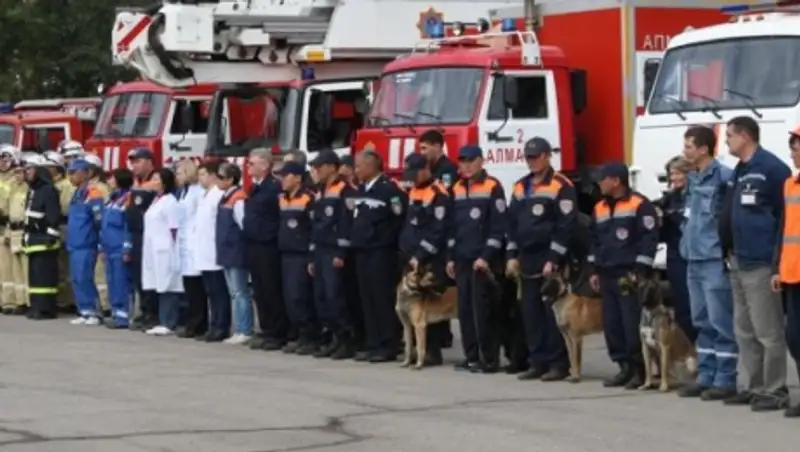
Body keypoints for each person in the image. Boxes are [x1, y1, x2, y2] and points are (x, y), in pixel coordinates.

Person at [720, 116, 791, 411]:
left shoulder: (772, 169)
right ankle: (754, 386)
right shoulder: (741, 169)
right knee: (744, 330)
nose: (726, 141)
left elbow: (784, 218)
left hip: (760, 261)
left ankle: (776, 390)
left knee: (768, 331)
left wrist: (776, 262)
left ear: (746, 136)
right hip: (737, 259)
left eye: (730, 136)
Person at [677, 125, 738, 401]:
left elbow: (728, 220)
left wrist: (727, 252)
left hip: (713, 259)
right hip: (693, 258)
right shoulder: (693, 179)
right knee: (701, 321)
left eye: (689, 146)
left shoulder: (724, 177)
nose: (685, 151)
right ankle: (706, 376)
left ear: (703, 148)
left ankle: (725, 379)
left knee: (720, 321)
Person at [507, 137, 575, 382]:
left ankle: (558, 363)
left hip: (549, 258)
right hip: (526, 257)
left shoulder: (561, 185)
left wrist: (554, 258)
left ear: (547, 156)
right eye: (528, 158)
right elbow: (512, 225)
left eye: (536, 157)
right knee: (530, 312)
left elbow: (565, 225)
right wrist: (512, 255)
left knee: (551, 314)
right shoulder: (519, 187)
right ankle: (538, 361)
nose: (532, 162)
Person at [588, 162, 659, 389]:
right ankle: (623, 367)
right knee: (612, 324)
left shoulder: (639, 204)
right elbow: (595, 240)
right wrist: (593, 269)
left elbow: (649, 238)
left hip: (629, 273)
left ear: (616, 181)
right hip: (607, 272)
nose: (599, 183)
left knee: (631, 323)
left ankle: (639, 369)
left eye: (602, 179)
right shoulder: (599, 207)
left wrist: (640, 270)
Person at [447, 145, 506, 373]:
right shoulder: (457, 188)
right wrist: (450, 257)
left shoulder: (493, 187)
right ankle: (471, 356)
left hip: (482, 261)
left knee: (483, 311)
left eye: (470, 161)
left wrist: (486, 257)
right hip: (462, 258)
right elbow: (452, 227)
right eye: (462, 161)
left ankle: (489, 358)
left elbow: (498, 227)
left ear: (481, 161)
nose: (466, 165)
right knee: (464, 310)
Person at [350, 150, 407, 363]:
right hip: (362, 251)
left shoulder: (388, 190)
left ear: (371, 166)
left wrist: (391, 245)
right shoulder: (363, 189)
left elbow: (398, 219)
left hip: (380, 252)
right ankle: (373, 342)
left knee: (382, 298)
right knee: (367, 298)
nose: (356, 170)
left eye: (359, 166)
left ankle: (388, 343)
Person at [398, 152, 450, 365]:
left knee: (431, 304)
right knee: (411, 304)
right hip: (410, 256)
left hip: (429, 257)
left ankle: (433, 350)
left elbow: (438, 230)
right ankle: (415, 349)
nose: (411, 177)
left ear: (425, 170)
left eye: (415, 173)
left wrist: (421, 255)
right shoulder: (414, 190)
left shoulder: (438, 193)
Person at [309, 150, 358, 359]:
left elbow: (347, 225)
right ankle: (334, 338)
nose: (316, 171)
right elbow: (316, 224)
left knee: (335, 296)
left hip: (334, 251)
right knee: (321, 297)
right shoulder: (320, 190)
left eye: (319, 167)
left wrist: (341, 252)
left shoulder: (345, 190)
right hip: (320, 250)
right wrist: (312, 254)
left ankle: (347, 340)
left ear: (331, 167)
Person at [243, 149, 288, 350]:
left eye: (252, 164)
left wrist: (268, 235)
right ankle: (266, 328)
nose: (249, 167)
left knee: (271, 289)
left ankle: (278, 332)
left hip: (268, 245)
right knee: (259, 290)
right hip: (253, 243)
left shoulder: (274, 187)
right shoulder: (255, 188)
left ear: (265, 166)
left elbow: (277, 217)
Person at [276, 161, 319, 355]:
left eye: (286, 176)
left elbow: (313, 229)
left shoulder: (308, 198)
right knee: (289, 298)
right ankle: (299, 335)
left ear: (298, 178)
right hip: (286, 253)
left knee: (300, 296)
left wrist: (311, 255)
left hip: (301, 255)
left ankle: (310, 337)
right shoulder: (283, 198)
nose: (282, 180)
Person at [420, 129, 457, 350]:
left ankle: (443, 334)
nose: (422, 152)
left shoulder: (447, 170)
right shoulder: (430, 169)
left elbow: (445, 197)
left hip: (443, 237)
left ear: (437, 146)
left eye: (425, 148)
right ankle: (441, 333)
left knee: (441, 287)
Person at [773, 126, 800, 417]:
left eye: (795, 146)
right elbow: (784, 230)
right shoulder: (790, 185)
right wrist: (776, 267)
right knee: (794, 337)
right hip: (792, 273)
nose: (792, 152)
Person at [192, 161, 231, 343]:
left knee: (218, 291)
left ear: (214, 176)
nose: (200, 178)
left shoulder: (218, 196)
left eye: (203, 174)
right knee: (210, 291)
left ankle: (221, 326)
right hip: (203, 250)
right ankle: (214, 324)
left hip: (214, 251)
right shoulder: (204, 195)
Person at [142, 168, 184, 336]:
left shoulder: (170, 201)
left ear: (165, 182)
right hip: (153, 248)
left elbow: (174, 228)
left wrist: (173, 250)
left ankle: (169, 321)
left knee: (168, 285)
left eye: (156, 178)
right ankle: (162, 319)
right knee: (159, 284)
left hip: (165, 249)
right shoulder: (156, 200)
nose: (152, 181)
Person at [22, 154, 62, 320]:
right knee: (35, 276)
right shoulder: (33, 190)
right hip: (33, 239)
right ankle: (36, 306)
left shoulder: (48, 190)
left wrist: (50, 236)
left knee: (44, 276)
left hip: (44, 240)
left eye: (29, 169)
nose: (27, 172)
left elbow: (53, 215)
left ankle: (46, 309)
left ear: (38, 170)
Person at [65, 159, 105, 325]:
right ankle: (84, 310)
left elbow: (99, 219)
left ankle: (94, 312)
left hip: (87, 243)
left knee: (85, 277)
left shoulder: (93, 192)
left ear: (86, 173)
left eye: (74, 172)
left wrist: (100, 242)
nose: (71, 176)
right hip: (74, 243)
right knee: (76, 278)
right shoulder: (76, 194)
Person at [217, 162, 253, 345]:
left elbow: (243, 224)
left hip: (236, 250)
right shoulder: (225, 197)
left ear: (231, 179)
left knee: (240, 292)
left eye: (221, 178)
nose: (218, 181)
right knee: (234, 292)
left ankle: (245, 329)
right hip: (227, 250)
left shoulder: (238, 198)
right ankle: (239, 328)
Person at [125, 148, 159, 330]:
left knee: (150, 275)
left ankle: (154, 313)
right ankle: (145, 310)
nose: (134, 166)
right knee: (139, 275)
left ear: (148, 161)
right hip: (137, 234)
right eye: (133, 162)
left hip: (149, 234)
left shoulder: (155, 180)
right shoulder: (137, 182)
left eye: (138, 161)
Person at [174, 159, 207, 338]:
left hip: (193, 241)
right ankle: (191, 321)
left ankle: (198, 323)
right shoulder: (183, 192)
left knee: (196, 288)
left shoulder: (197, 192)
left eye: (179, 173)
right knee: (189, 286)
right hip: (184, 241)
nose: (177, 177)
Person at [101, 168, 135, 329]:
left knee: (121, 282)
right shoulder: (112, 199)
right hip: (109, 247)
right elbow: (104, 224)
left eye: (112, 178)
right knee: (112, 281)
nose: (109, 181)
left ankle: (124, 316)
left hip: (119, 247)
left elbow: (128, 224)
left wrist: (127, 247)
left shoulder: (128, 198)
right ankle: (115, 313)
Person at [42, 150, 75, 314]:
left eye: (49, 167)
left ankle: (70, 301)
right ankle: (60, 299)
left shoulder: (66, 185)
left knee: (66, 265)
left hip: (63, 225)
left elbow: (65, 208)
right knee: (57, 266)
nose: (46, 170)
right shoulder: (50, 184)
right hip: (52, 225)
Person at [83, 153, 111, 316]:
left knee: (101, 274)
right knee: (92, 274)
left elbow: (101, 214)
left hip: (98, 234)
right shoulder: (86, 187)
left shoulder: (99, 188)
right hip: (89, 235)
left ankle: (106, 307)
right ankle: (99, 306)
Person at [5, 158, 29, 315]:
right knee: (16, 271)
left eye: (21, 172)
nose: (17, 175)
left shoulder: (29, 189)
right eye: (16, 172)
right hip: (13, 232)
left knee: (27, 269)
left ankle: (29, 301)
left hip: (24, 232)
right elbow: (9, 214)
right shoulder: (14, 188)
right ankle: (19, 301)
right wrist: (7, 233)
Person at [0, 145, 18, 312]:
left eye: (6, 160)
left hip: (5, 225)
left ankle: (9, 302)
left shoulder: (15, 180)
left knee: (7, 268)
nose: (2, 163)